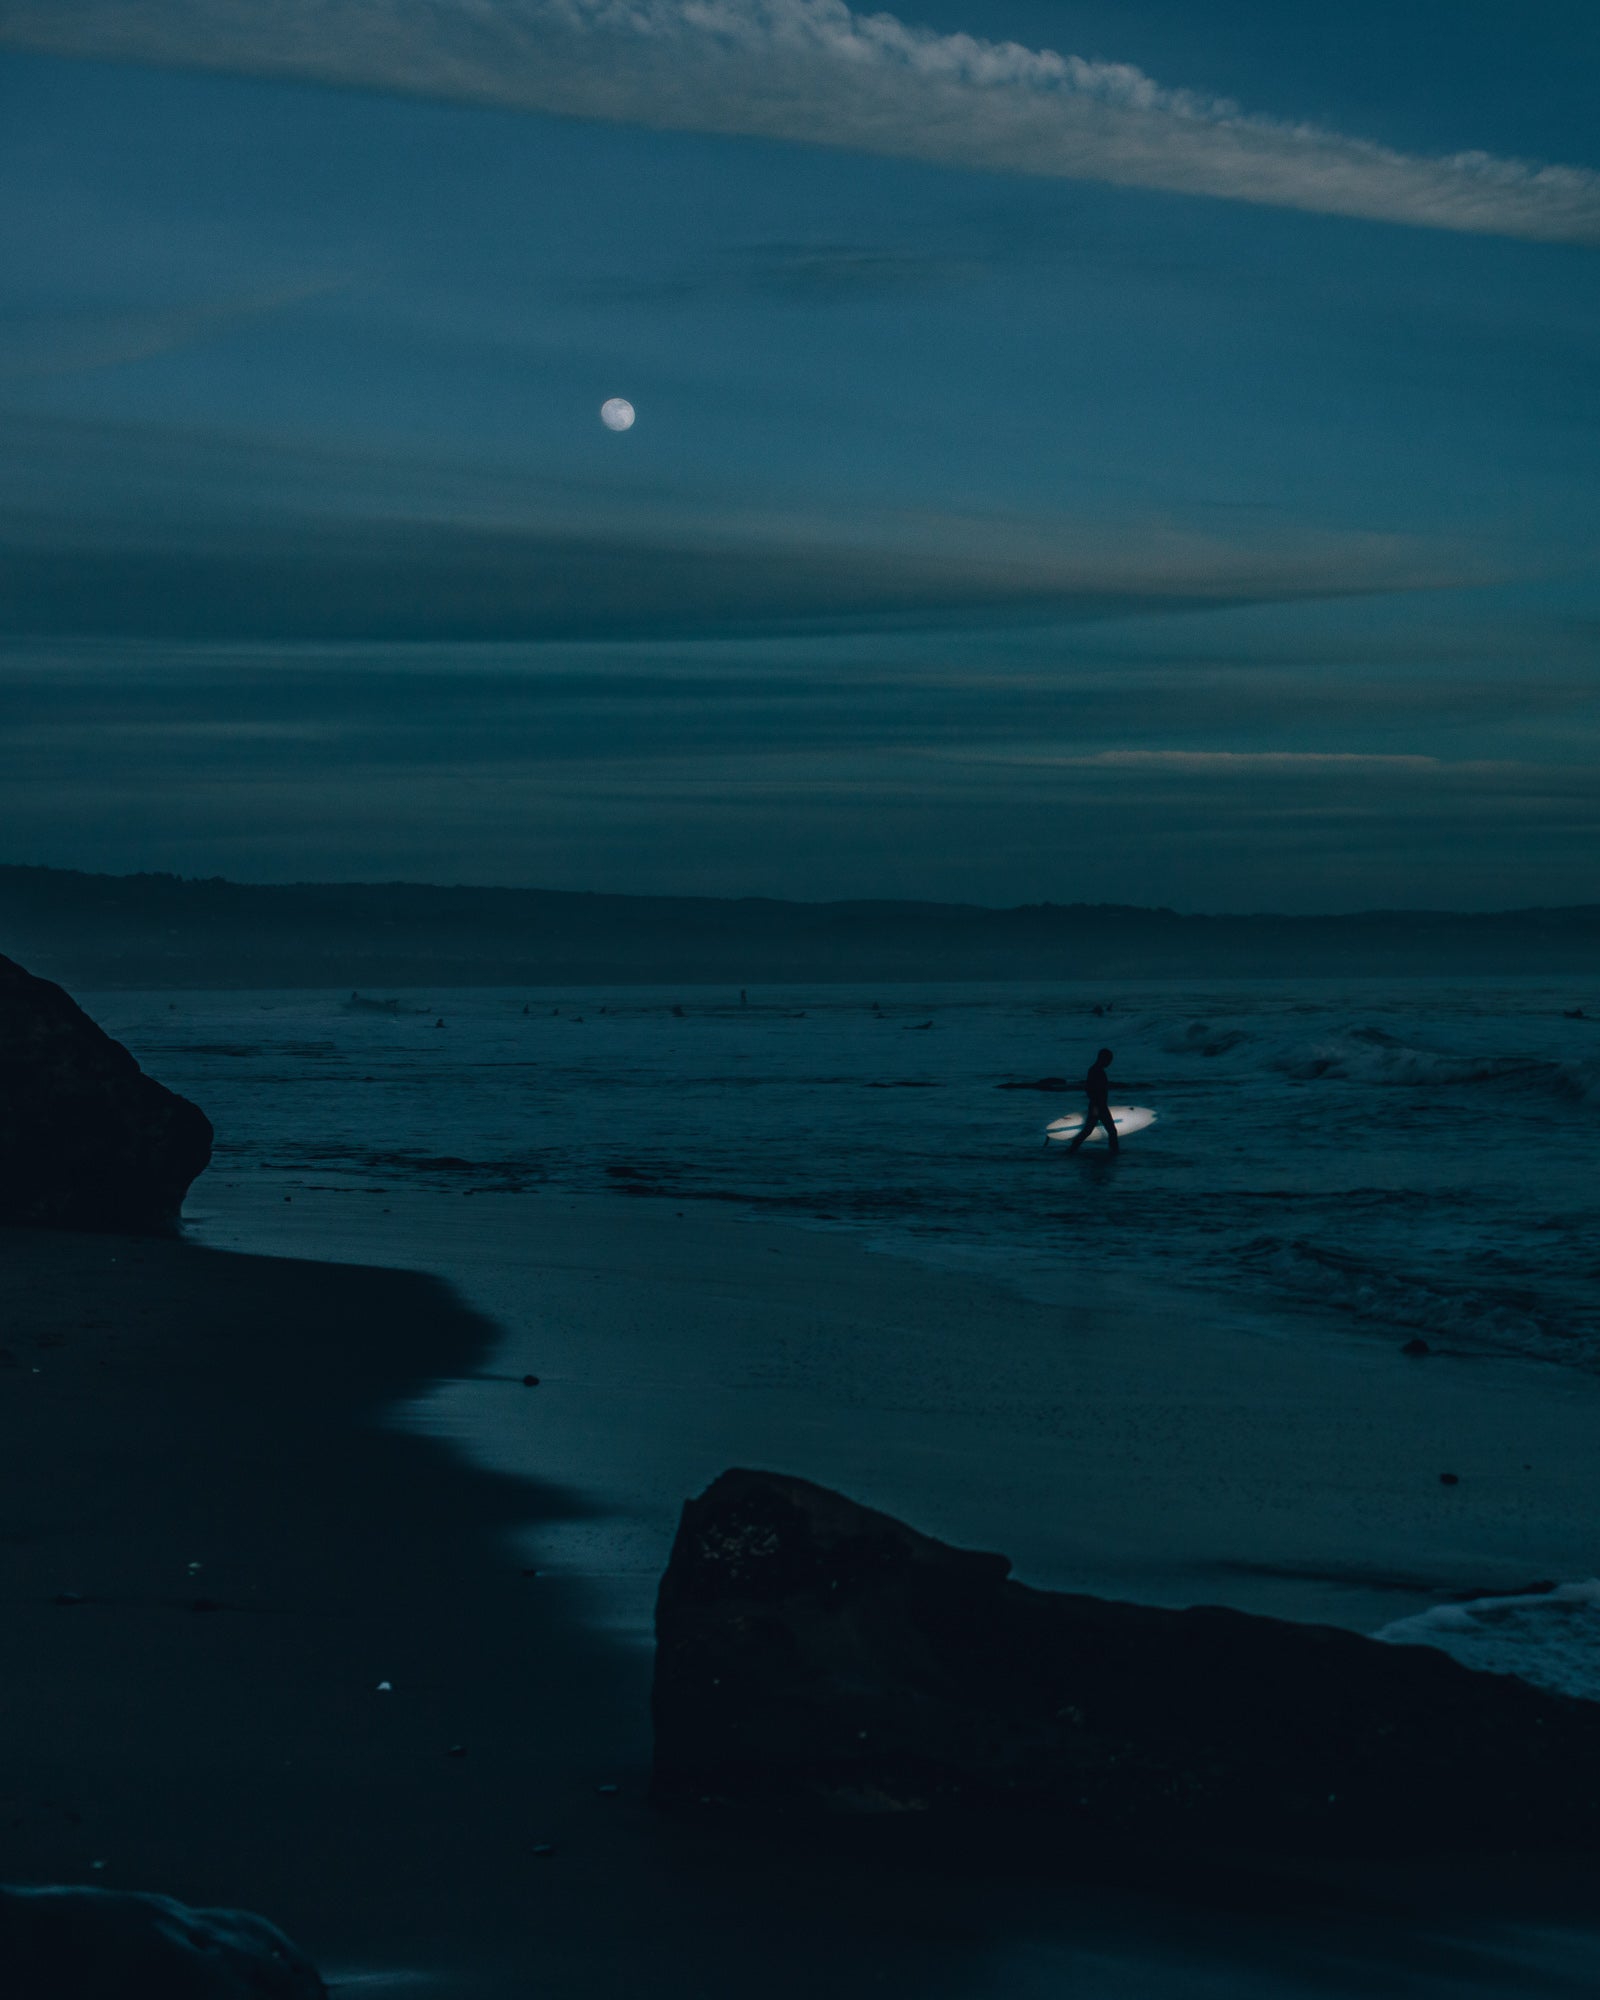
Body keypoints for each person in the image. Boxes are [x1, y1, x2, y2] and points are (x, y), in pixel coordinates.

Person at [1067, 1047, 1118, 1155]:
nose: (1109, 1063)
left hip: (1100, 1106)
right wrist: (1096, 1107)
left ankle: (1071, 1150)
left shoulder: (1097, 1070)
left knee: (1093, 1130)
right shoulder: (1095, 1071)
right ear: (1102, 1058)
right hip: (1098, 1106)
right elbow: (1089, 1089)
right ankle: (1114, 1153)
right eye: (1109, 1060)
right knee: (1107, 1131)